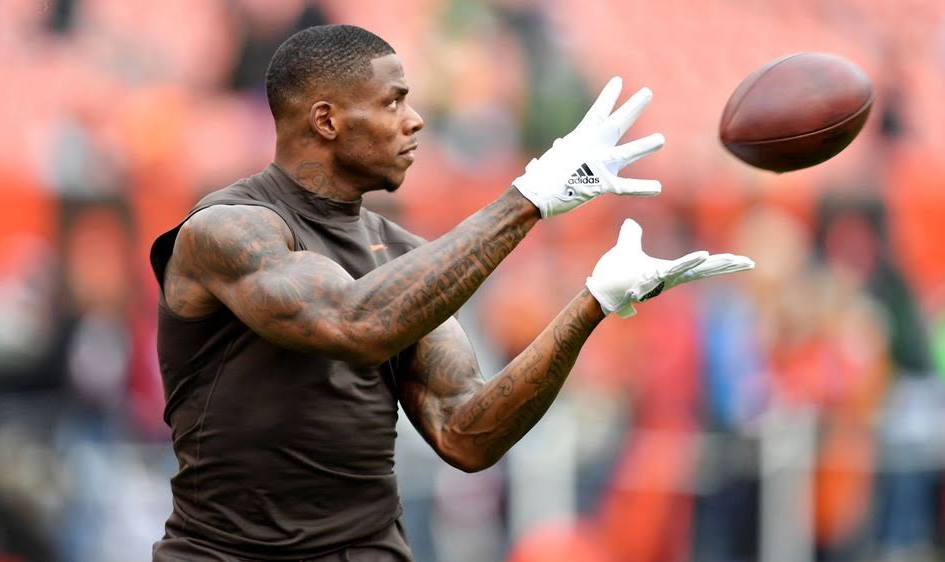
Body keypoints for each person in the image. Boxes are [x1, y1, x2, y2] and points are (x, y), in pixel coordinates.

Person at [148, 24, 753, 561]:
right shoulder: (225, 230)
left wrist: (593, 301)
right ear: (326, 121)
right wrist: (528, 198)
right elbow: (353, 324)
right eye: (392, 102)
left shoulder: (402, 254)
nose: (414, 120)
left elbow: (465, 434)